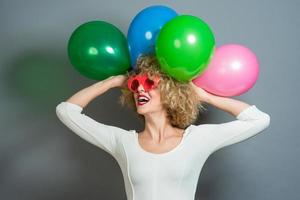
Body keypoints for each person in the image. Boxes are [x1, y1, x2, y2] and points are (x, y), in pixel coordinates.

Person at [56, 55, 270, 200]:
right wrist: (110, 82)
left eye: (150, 84)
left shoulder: (197, 139)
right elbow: (66, 111)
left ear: (170, 92)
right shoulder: (122, 141)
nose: (140, 89)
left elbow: (259, 120)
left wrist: (204, 96)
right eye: (135, 84)